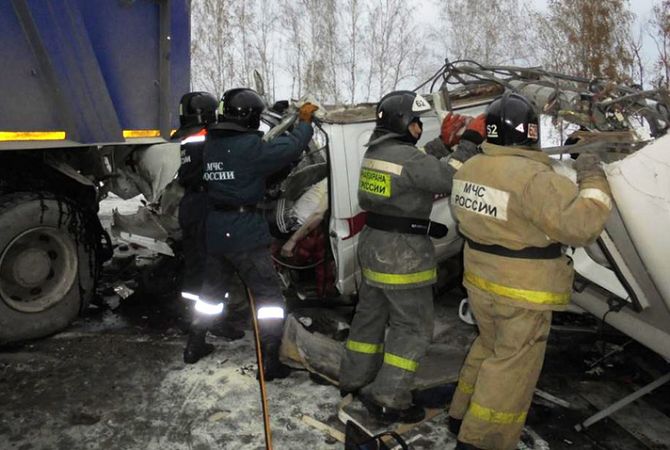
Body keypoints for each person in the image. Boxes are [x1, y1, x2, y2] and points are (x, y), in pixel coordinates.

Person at [447, 92, 613, 450]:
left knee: (489, 346)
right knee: (511, 369)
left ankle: (459, 414)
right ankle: (482, 440)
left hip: (479, 281)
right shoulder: (535, 178)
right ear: (531, 132)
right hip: (522, 291)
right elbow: (582, 225)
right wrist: (591, 172)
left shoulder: (470, 168)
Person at [338, 90, 485, 424]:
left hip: (374, 245)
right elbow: (448, 178)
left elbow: (415, 168)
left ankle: (355, 379)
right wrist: (469, 142)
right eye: (416, 121)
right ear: (404, 122)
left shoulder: (378, 152)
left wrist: (443, 144)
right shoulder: (406, 158)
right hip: (401, 253)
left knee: (369, 318)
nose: (419, 127)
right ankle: (389, 398)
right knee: (413, 327)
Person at [183, 87, 318, 381]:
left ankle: (194, 344)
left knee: (210, 293)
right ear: (250, 117)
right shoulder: (249, 147)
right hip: (244, 231)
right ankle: (270, 361)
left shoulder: (211, 144)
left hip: (216, 229)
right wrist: (305, 123)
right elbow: (291, 148)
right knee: (268, 298)